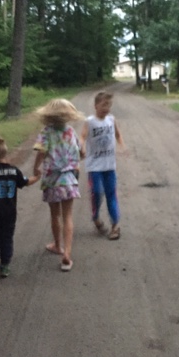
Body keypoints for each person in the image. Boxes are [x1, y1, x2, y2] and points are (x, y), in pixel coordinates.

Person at [33, 99, 85, 272]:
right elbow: (81, 152)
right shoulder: (71, 131)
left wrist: (36, 167)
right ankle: (67, 253)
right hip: (69, 179)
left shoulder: (46, 132)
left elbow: (41, 152)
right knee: (68, 216)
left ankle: (57, 245)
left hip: (51, 180)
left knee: (55, 215)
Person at [0, 137, 39, 278]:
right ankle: (5, 266)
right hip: (10, 212)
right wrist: (37, 177)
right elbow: (26, 182)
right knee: (7, 238)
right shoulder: (14, 171)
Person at [79, 91, 125, 241]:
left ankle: (115, 226)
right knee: (97, 193)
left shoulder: (111, 119)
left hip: (109, 165)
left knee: (111, 194)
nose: (107, 108)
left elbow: (118, 134)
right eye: (104, 105)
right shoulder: (90, 121)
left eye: (109, 105)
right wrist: (81, 146)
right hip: (94, 166)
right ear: (96, 106)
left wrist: (122, 146)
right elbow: (83, 136)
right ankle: (96, 217)